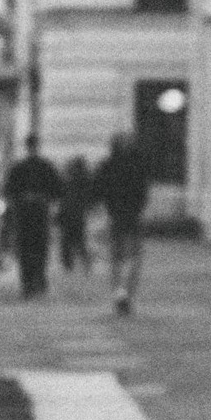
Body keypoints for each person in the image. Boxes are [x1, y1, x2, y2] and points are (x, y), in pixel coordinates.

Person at [92, 133, 150, 316]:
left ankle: (119, 292)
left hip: (116, 215)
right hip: (132, 216)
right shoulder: (137, 166)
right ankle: (127, 293)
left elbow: (98, 190)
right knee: (134, 256)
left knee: (117, 257)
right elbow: (143, 193)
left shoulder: (107, 166)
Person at [2, 136, 63, 299]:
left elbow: (9, 190)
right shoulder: (43, 166)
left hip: (27, 212)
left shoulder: (22, 167)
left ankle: (30, 281)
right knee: (37, 246)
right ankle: (35, 280)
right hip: (36, 212)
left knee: (28, 247)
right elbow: (57, 189)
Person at [57, 156, 92, 275]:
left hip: (69, 214)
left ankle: (68, 264)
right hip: (77, 215)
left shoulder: (69, 181)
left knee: (68, 241)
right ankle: (83, 261)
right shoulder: (84, 182)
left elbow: (63, 199)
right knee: (79, 240)